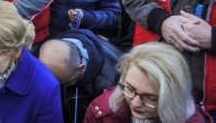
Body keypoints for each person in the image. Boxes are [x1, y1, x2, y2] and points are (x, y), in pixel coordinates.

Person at [83, 43, 211, 123]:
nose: (135, 103)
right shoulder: (101, 111)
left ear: (174, 97)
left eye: (151, 98)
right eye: (129, 88)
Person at [39, 28, 121, 123]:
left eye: (64, 82)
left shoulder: (112, 82)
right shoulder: (54, 50)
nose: (57, 86)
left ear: (81, 68)